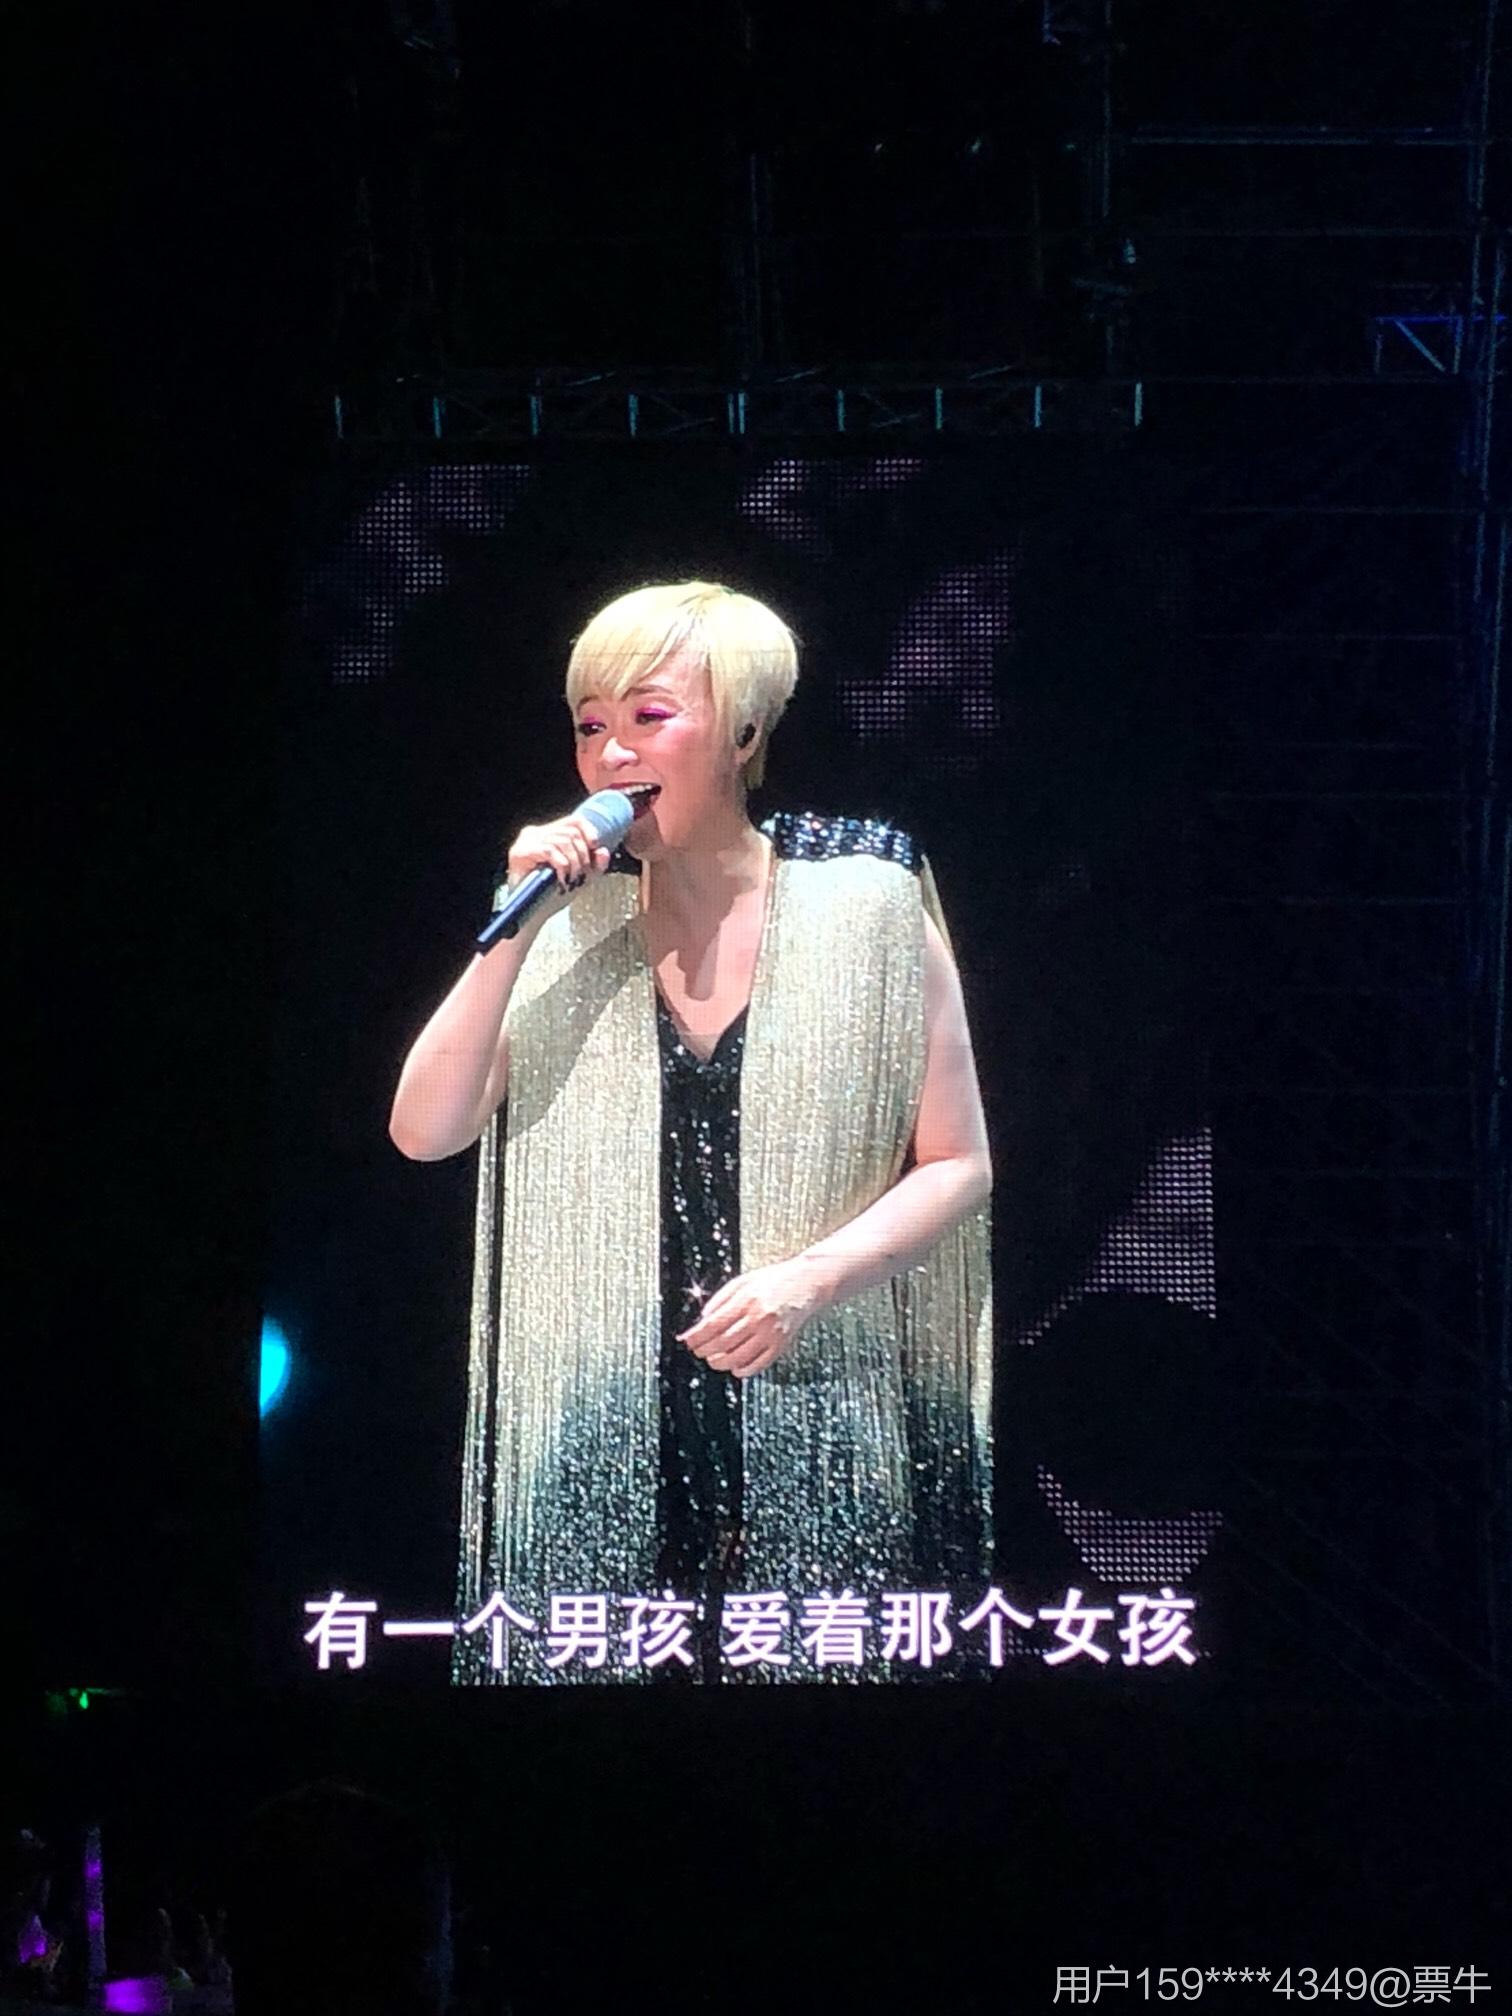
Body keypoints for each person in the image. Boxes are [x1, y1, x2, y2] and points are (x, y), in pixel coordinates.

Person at [389, 580, 993, 1682]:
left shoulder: (866, 899)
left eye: (650, 716)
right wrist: (515, 927)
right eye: (590, 726)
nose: (612, 754)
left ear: (746, 733)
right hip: (601, 1423)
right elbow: (425, 1133)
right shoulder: (566, 921)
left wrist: (809, 1282)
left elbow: (958, 1162)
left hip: (812, 1399)